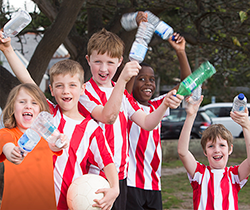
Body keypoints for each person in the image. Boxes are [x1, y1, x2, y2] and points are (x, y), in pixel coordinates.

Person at [0, 35, 119, 210]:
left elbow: (108, 162)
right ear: (51, 90)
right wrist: (8, 49)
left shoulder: (91, 129)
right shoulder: (47, 113)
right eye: (59, 86)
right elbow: (26, 79)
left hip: (72, 203)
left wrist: (115, 189)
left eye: (72, 85)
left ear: (82, 88)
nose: (66, 91)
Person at [78, 28, 184, 210]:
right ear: (88, 60)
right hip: (94, 177)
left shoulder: (124, 96)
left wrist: (165, 104)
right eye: (98, 62)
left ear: (120, 62)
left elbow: (148, 123)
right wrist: (122, 80)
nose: (104, 69)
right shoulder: (83, 92)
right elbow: (108, 116)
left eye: (110, 62)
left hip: (121, 177)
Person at [125, 33, 191, 209]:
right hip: (130, 184)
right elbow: (126, 88)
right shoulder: (126, 104)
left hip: (154, 183)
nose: (148, 83)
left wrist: (181, 52)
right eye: (141, 79)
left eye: (152, 80)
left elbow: (187, 84)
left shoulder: (158, 104)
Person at [177, 96, 250, 209]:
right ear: (205, 151)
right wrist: (191, 116)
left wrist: (246, 127)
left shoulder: (234, 175)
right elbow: (182, 152)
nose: (217, 150)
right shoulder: (199, 173)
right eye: (211, 146)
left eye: (222, 145)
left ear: (230, 149)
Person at [0, 83, 57, 210]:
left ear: (41, 112)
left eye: (34, 103)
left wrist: (61, 141)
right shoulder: (6, 133)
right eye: (22, 102)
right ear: (12, 108)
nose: (28, 106)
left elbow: (56, 146)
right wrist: (12, 152)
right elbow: (7, 146)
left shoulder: (47, 137)